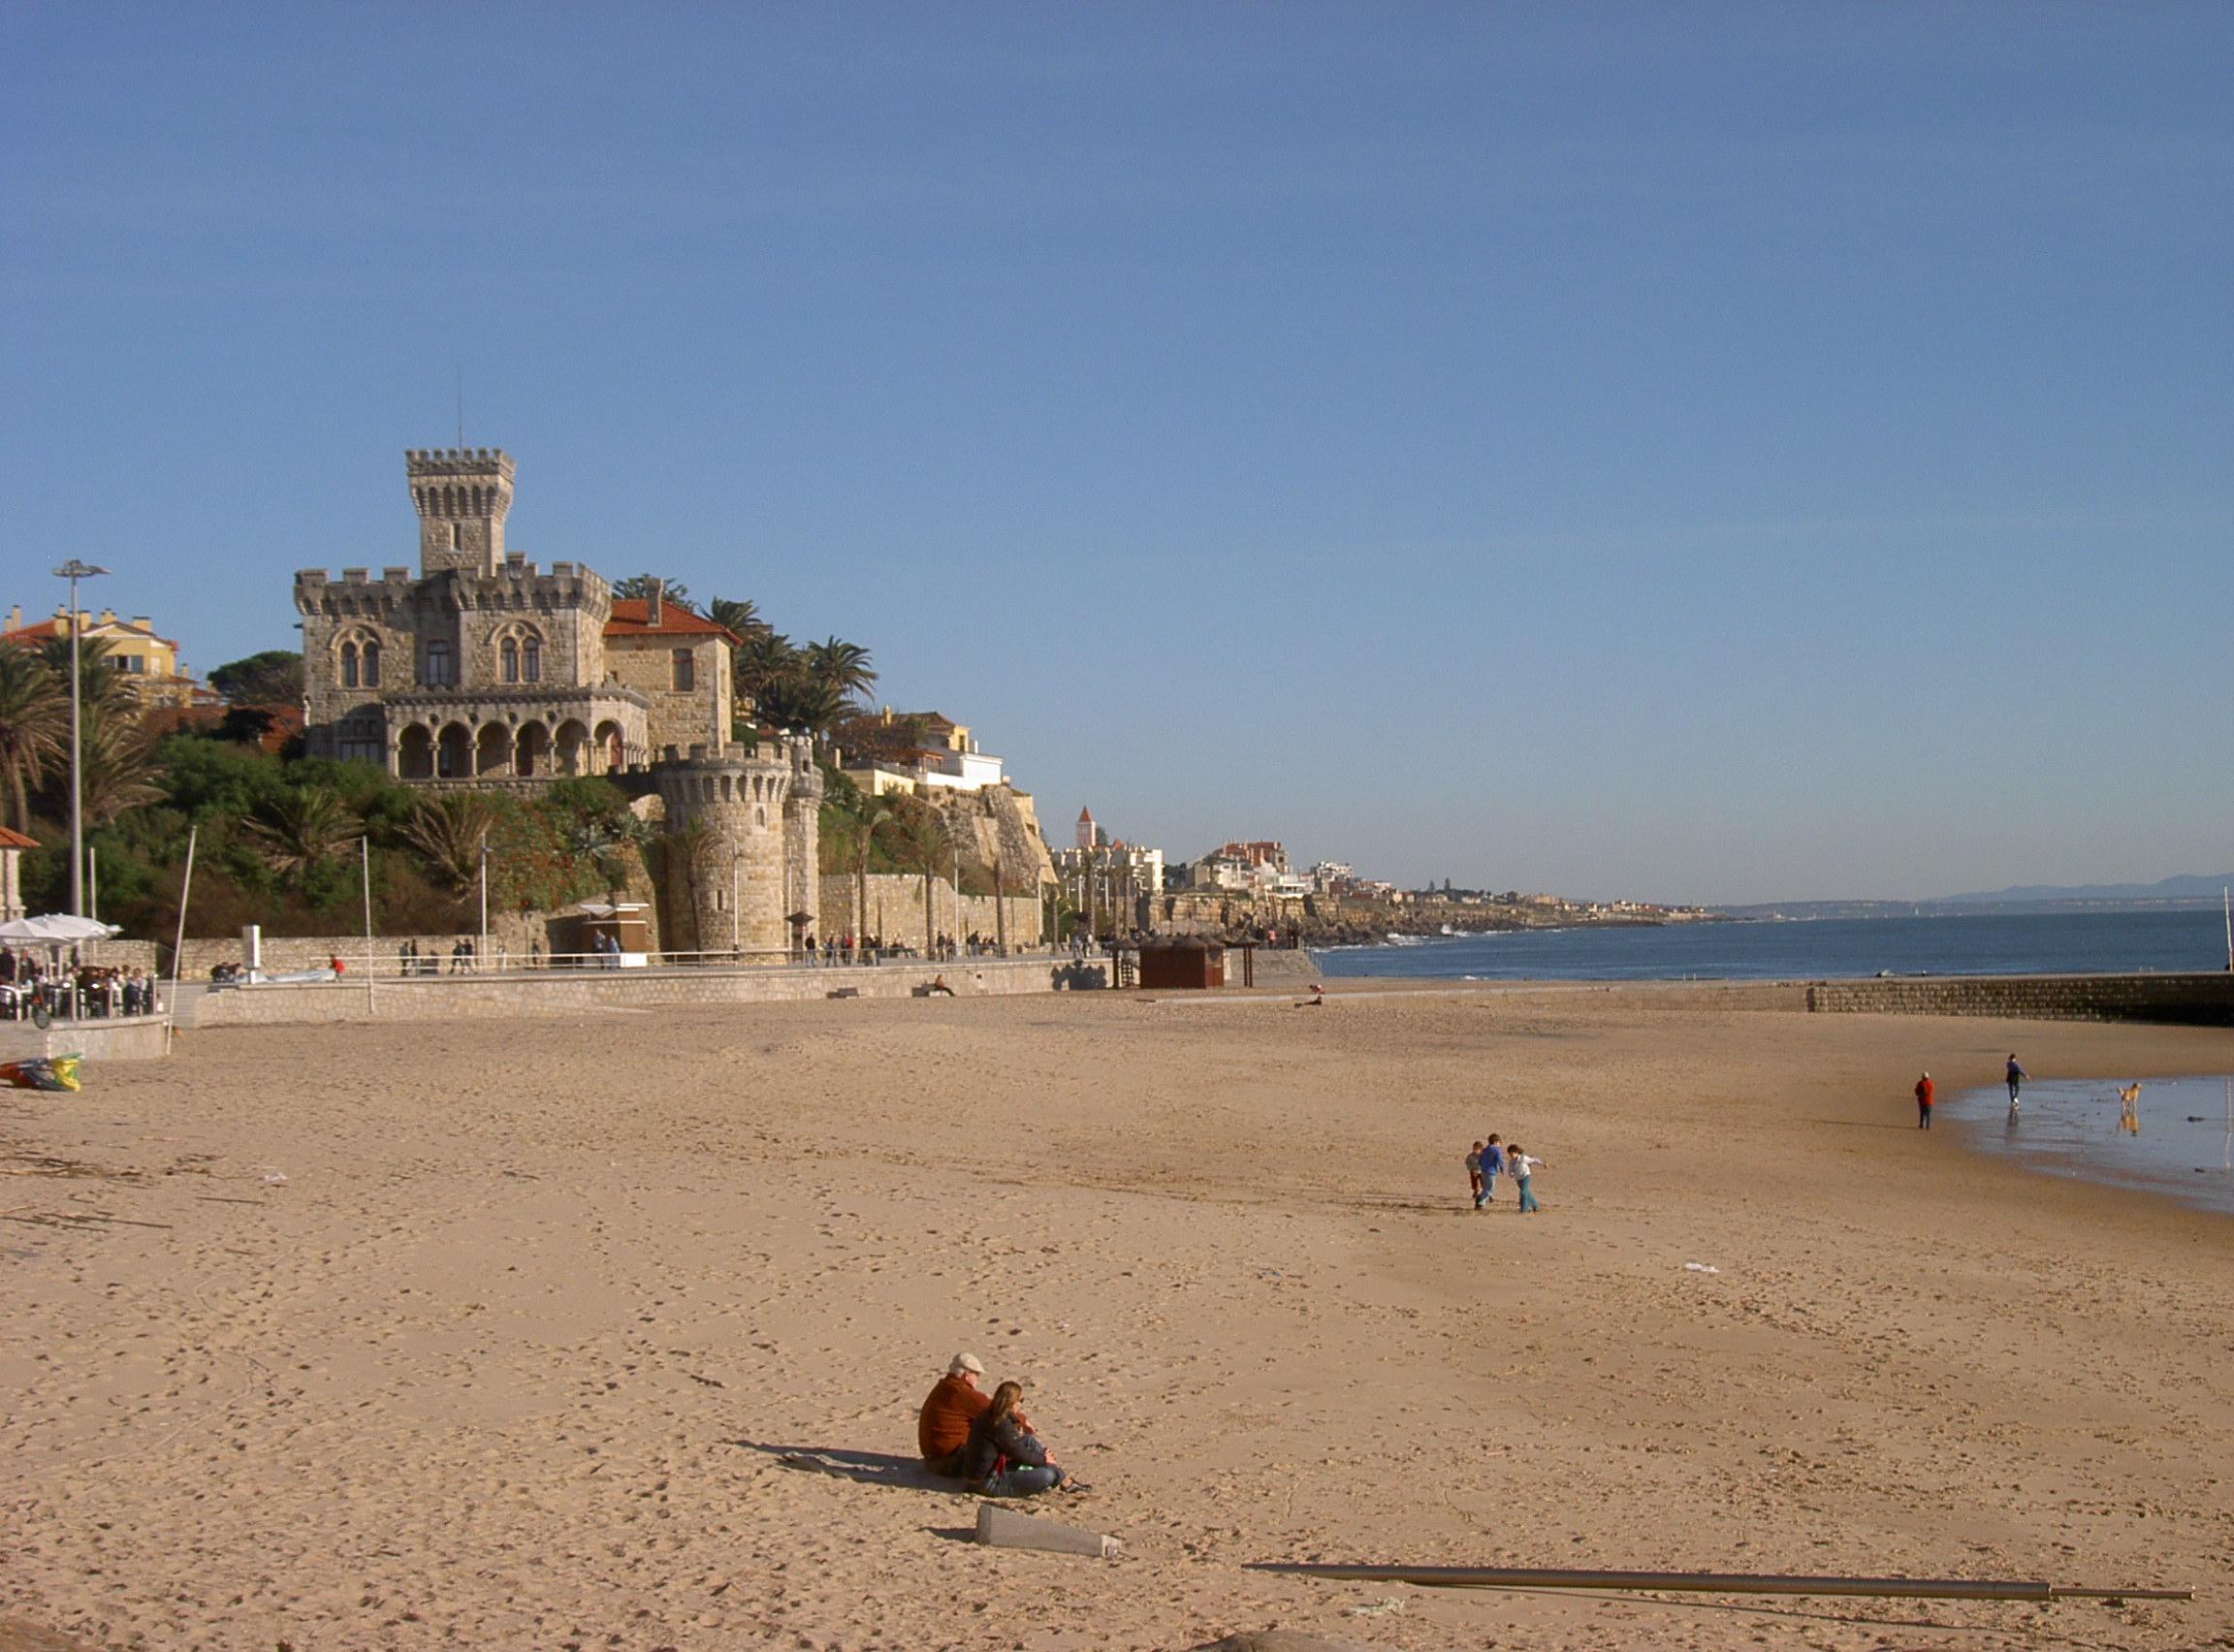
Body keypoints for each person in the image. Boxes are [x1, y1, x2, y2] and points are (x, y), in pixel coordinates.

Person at [961, 1380, 1076, 1496]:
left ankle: (1062, 1479)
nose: (1021, 1404)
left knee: (1028, 1441)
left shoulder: (988, 1415)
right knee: (1047, 1475)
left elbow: (1015, 1447)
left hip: (981, 1474)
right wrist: (1045, 1460)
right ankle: (1061, 1478)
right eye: (1020, 1400)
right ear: (1012, 1402)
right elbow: (1021, 1455)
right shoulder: (1001, 1424)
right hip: (987, 1482)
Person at [917, 1352, 992, 1477]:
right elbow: (998, 1410)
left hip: (933, 1459)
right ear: (967, 1375)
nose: (977, 1379)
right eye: (976, 1375)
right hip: (948, 1462)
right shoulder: (961, 1392)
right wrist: (1022, 1420)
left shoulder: (944, 1386)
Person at [1508, 1144, 1546, 1213]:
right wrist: (1511, 1175)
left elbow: (1533, 1160)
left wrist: (1542, 1164)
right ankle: (1535, 1206)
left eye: (1512, 1154)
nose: (1511, 1156)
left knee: (1523, 1192)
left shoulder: (1523, 1158)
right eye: (1510, 1154)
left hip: (1526, 1176)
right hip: (1518, 1179)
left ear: (1516, 1152)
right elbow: (1510, 1170)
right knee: (1526, 1193)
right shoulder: (1511, 1162)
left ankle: (1524, 1209)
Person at [1480, 1134, 1506, 1207]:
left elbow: (1480, 1158)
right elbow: (1500, 1160)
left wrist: (1481, 1166)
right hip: (1491, 1172)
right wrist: (1502, 1169)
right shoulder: (1497, 1150)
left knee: (1485, 1187)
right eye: (1499, 1143)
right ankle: (1480, 1199)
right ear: (1495, 1142)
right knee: (1490, 1189)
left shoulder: (1485, 1149)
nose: (1500, 1145)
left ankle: (1481, 1204)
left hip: (1483, 1171)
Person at [1465, 1142, 1484, 1209]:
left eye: (1477, 1149)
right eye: (1474, 1149)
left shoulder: (1483, 1156)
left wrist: (1479, 1170)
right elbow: (1467, 1163)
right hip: (1473, 1171)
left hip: (1481, 1171)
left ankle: (1489, 1195)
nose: (1476, 1151)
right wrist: (1471, 1170)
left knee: (1484, 1183)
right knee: (1474, 1182)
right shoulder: (1470, 1156)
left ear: (1481, 1149)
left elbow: (1485, 1164)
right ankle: (1476, 1190)